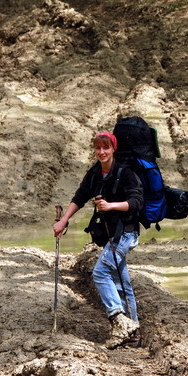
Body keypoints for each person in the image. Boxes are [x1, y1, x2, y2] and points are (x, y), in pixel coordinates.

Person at [53, 131, 144, 349]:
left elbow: (137, 202)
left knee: (101, 272)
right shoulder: (95, 173)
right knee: (121, 281)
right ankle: (134, 333)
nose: (101, 152)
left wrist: (111, 206)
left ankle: (118, 319)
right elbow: (79, 197)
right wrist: (63, 220)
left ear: (113, 149)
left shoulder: (126, 173)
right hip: (112, 236)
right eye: (98, 148)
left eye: (106, 148)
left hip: (126, 234)